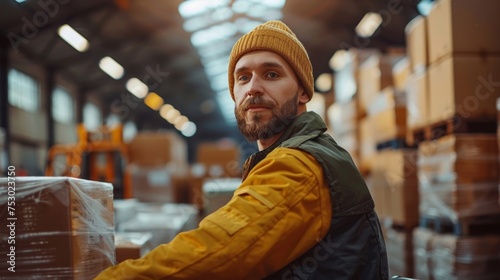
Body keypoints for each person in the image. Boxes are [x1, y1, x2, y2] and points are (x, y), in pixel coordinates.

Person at [95, 20, 388, 280]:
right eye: (243, 77)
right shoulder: (299, 153)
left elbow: (215, 254)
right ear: (234, 93)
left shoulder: (298, 165)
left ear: (302, 92)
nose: (253, 88)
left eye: (271, 74)